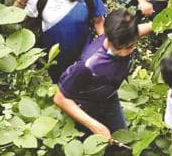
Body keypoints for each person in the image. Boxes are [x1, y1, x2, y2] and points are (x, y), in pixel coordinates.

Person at [53, 9, 152, 139]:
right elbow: (60, 98)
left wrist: (162, 23)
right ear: (112, 41)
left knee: (121, 136)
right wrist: (94, 125)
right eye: (128, 48)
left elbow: (139, 30)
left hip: (109, 96)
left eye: (133, 45)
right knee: (95, 139)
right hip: (86, 105)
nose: (131, 50)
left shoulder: (125, 36)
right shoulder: (88, 65)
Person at [13, 0, 107, 82]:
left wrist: (104, 50)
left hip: (82, 60)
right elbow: (13, 21)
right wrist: (21, 0)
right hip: (52, 61)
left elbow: (99, 21)